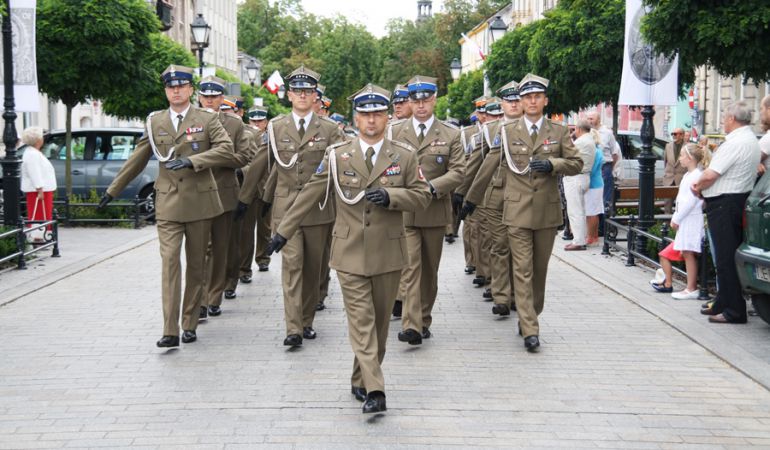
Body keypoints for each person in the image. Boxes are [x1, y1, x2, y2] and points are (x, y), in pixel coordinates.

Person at [265, 84, 431, 413]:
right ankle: (376, 390)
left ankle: (360, 377)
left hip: (388, 252)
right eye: (365, 114)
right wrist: (283, 232)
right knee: (361, 320)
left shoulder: (405, 156)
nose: (371, 120)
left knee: (380, 325)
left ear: (387, 116)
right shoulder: (337, 155)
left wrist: (392, 197)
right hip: (349, 252)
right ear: (356, 118)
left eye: (378, 114)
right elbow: (311, 192)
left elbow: (423, 195)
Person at [99, 65, 235, 347]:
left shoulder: (207, 119)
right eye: (171, 87)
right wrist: (113, 191)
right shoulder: (155, 122)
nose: (176, 91)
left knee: (196, 266)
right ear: (166, 91)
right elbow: (137, 159)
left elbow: (225, 150)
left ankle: (189, 323)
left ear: (190, 90)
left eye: (181, 86)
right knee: (170, 264)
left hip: (200, 201)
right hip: (169, 203)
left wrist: (193, 161)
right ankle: (169, 329)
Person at [236, 65, 345, 346]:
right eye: (297, 91)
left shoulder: (331, 130)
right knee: (292, 265)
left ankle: (307, 319)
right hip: (285, 211)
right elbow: (261, 164)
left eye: (307, 91)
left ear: (315, 97)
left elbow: (343, 167)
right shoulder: (275, 127)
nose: (302, 96)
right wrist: (245, 199)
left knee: (313, 269)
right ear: (289, 95)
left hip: (318, 209)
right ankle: (293, 328)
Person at [498, 73, 582, 351]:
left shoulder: (557, 132)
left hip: (546, 212)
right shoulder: (507, 132)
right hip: (518, 211)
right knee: (521, 270)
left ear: (545, 101)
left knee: (539, 271)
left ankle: (529, 313)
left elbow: (577, 163)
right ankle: (530, 329)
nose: (532, 101)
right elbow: (493, 167)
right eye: (527, 97)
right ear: (520, 102)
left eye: (537, 96)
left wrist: (553, 164)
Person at [390, 75, 464, 345]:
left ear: (434, 100)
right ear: (410, 102)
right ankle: (412, 325)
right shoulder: (395, 132)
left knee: (430, 271)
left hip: (434, 210)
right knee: (410, 268)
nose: (421, 105)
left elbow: (459, 172)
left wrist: (433, 187)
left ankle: (424, 318)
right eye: (415, 100)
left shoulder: (450, 134)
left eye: (426, 100)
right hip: (406, 212)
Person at [693, 101, 760, 324]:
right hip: (735, 200)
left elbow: (711, 174)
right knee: (725, 255)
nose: (723, 121)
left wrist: (697, 186)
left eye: (724, 117)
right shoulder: (750, 139)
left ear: (731, 119)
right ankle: (723, 300)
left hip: (724, 204)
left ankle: (734, 310)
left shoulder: (734, 143)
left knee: (724, 257)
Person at [462, 79, 523, 315]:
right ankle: (501, 295)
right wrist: (466, 196)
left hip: (524, 198)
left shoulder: (534, 129)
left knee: (520, 250)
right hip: (495, 195)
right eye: (510, 101)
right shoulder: (490, 131)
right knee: (499, 246)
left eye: (518, 100)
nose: (514, 105)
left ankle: (518, 295)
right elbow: (476, 166)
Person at [195, 76, 253, 316]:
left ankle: (214, 296)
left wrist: (214, 158)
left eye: (214, 96)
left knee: (220, 248)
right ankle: (199, 299)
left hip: (224, 191)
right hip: (196, 193)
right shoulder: (189, 121)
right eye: (205, 96)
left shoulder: (234, 124)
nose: (209, 100)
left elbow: (244, 156)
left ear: (222, 98)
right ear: (199, 97)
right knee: (200, 249)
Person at [651, 143, 705, 298]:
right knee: (686, 252)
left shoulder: (695, 175)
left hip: (691, 218)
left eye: (682, 155)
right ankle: (690, 286)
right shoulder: (690, 175)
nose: (680, 158)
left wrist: (676, 218)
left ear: (690, 158)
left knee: (688, 252)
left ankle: (691, 287)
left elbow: (691, 201)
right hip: (687, 218)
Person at [237, 106, 271, 285]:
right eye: (253, 121)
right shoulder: (244, 134)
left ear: (265, 122)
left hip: (265, 188)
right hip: (248, 190)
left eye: (260, 121)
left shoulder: (270, 136)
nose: (256, 124)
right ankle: (244, 269)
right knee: (246, 231)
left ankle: (263, 258)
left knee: (265, 228)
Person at [562, 120, 596, 251]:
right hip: (583, 176)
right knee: (579, 211)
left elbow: (566, 154)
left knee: (575, 211)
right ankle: (580, 239)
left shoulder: (581, 141)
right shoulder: (589, 140)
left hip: (576, 177)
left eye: (575, 130)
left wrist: (569, 139)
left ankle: (578, 241)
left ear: (578, 129)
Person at [586, 110, 618, 235]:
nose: (589, 121)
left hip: (604, 168)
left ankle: (603, 229)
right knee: (591, 199)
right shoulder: (586, 133)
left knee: (605, 200)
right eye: (588, 118)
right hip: (590, 169)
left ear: (598, 119)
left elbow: (614, 153)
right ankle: (593, 229)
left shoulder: (607, 133)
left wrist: (609, 167)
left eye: (592, 118)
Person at [20, 126, 56, 239]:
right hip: (39, 191)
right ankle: (39, 237)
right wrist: (39, 189)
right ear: (38, 140)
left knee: (43, 214)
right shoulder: (32, 154)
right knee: (39, 214)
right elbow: (34, 172)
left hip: (41, 190)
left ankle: (42, 236)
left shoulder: (33, 152)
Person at [585, 132, 604, 245]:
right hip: (596, 184)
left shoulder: (595, 151)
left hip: (592, 185)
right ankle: (594, 236)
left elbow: (591, 169)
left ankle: (591, 237)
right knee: (594, 211)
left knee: (591, 212)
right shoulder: (598, 150)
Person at [663, 127, 688, 213]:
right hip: (669, 179)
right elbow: (665, 162)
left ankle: (679, 222)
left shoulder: (688, 147)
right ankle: (666, 223)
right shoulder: (668, 146)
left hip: (682, 179)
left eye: (675, 134)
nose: (673, 135)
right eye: (672, 134)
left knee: (681, 202)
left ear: (682, 135)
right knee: (667, 202)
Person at [758, 95, 770, 174]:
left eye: (762, 108)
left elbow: (746, 163)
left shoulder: (768, 139)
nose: (760, 112)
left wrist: (755, 164)